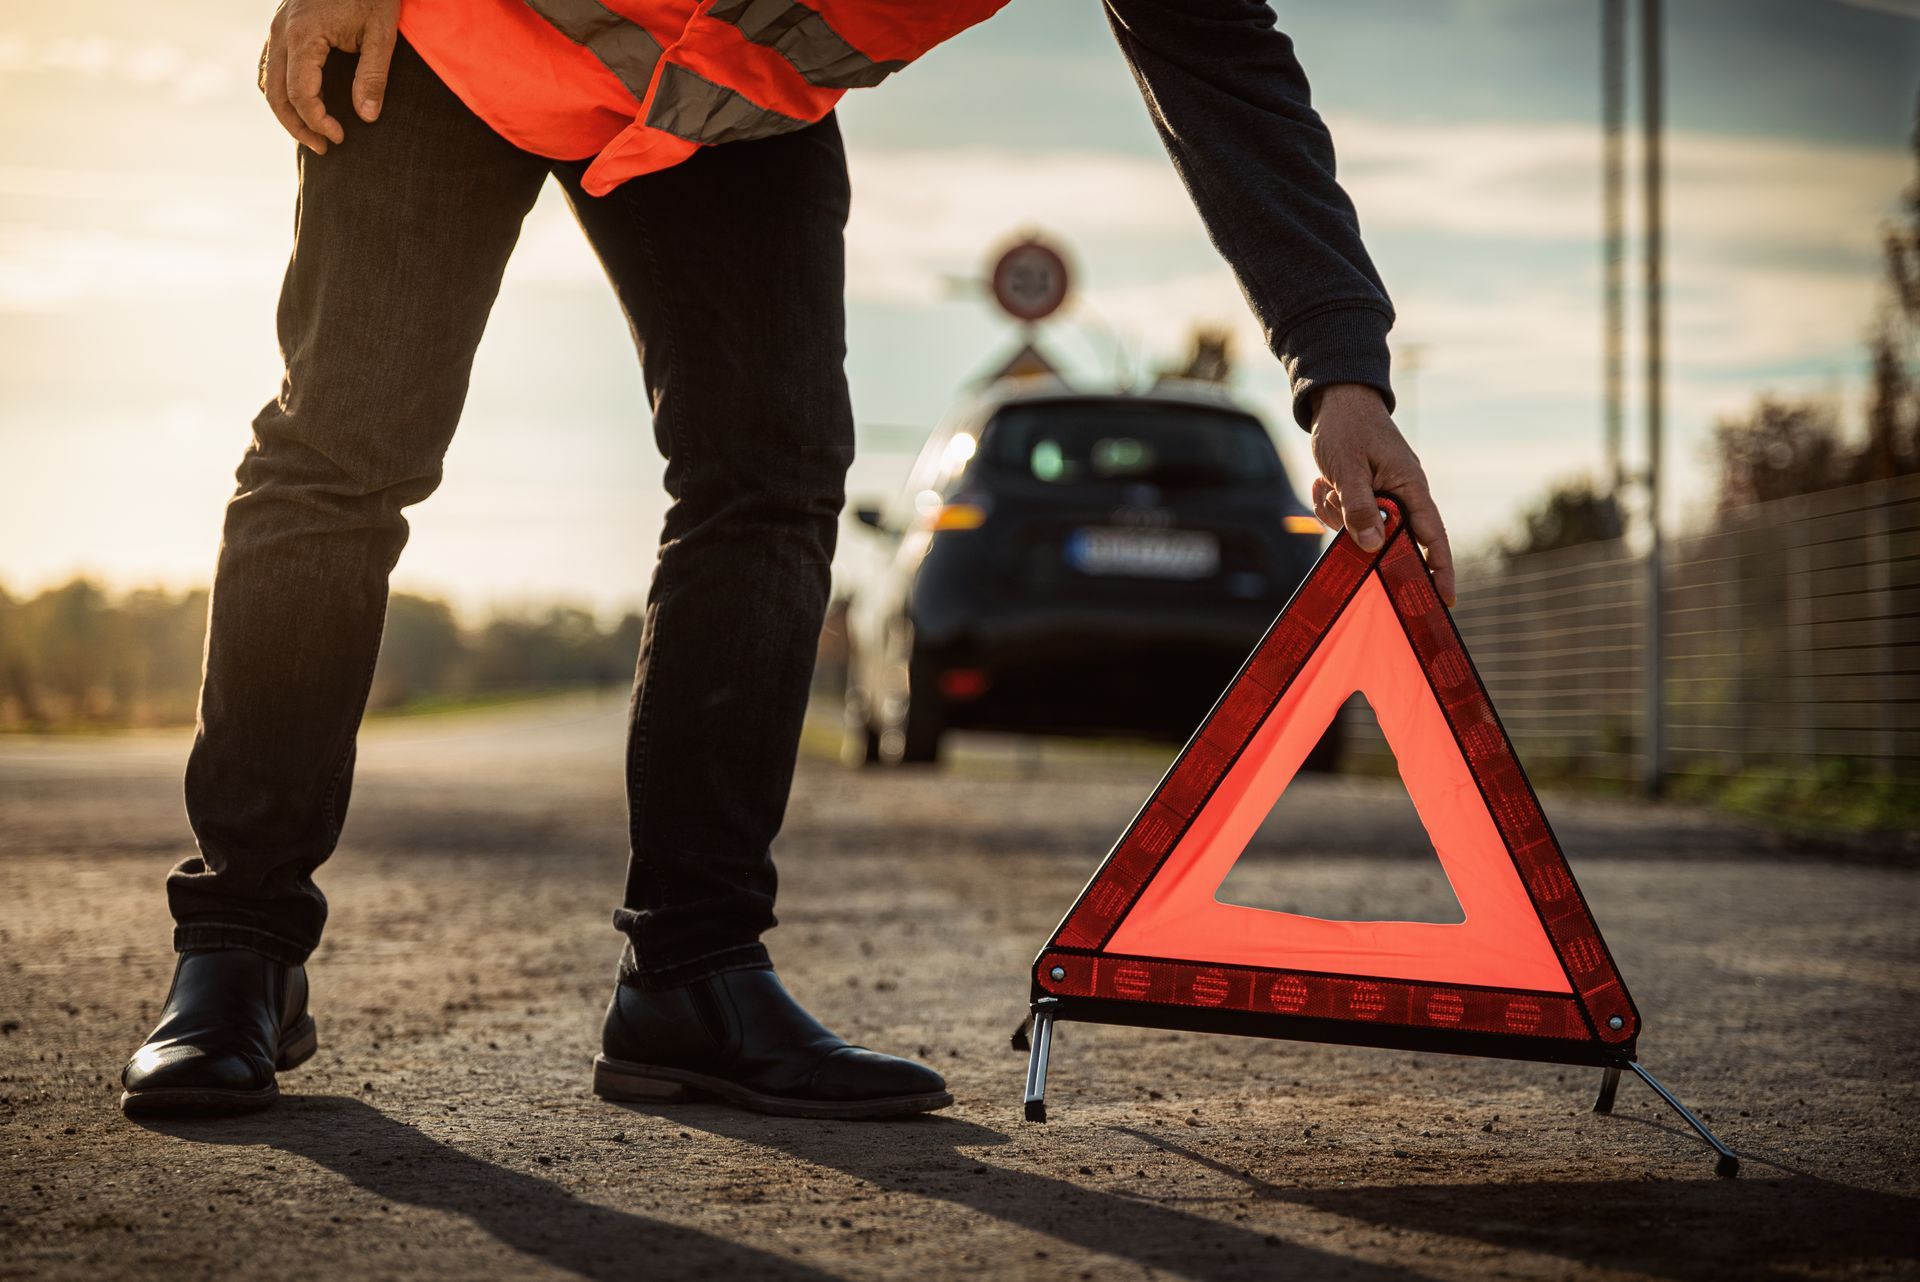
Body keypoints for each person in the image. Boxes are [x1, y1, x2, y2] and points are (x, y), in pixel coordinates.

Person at [121, 0, 1454, 1120]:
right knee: (342, 450)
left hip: (728, 109)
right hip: (460, 34)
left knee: (770, 475)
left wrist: (1341, 373)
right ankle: (239, 951)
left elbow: (1221, 64)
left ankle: (692, 977)